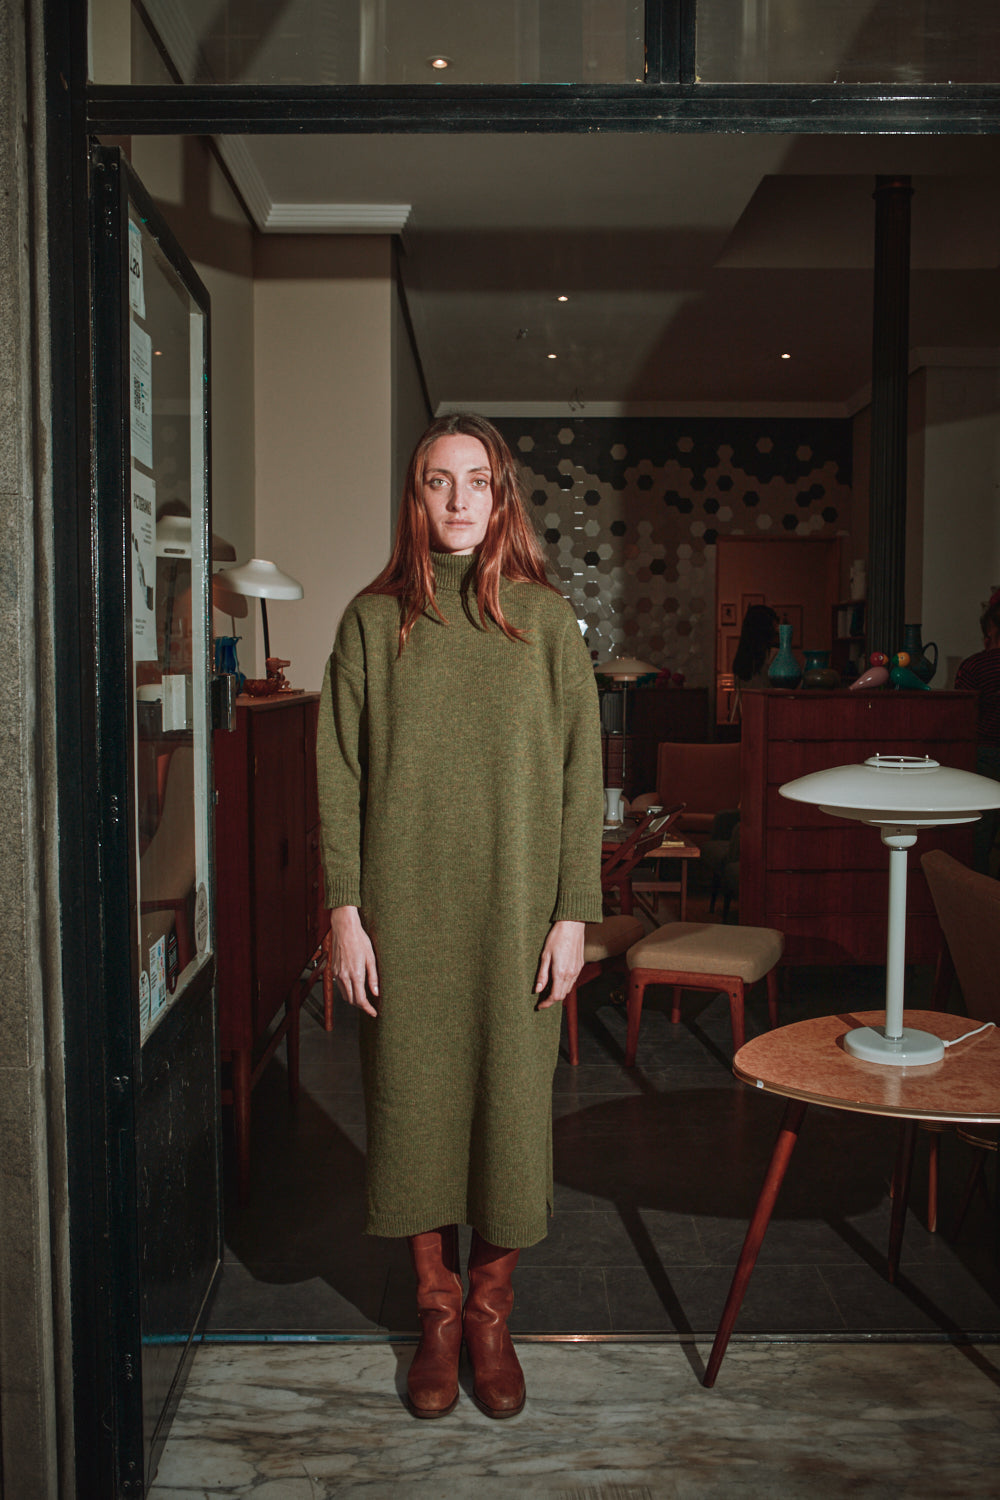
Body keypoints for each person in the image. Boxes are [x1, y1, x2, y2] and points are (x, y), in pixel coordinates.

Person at [316, 413, 604, 1420]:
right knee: (411, 1107)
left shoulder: (547, 623)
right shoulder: (369, 622)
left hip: (517, 913)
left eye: (476, 481)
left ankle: (491, 1306)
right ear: (416, 495)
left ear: (502, 496)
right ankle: (434, 1307)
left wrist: (574, 912)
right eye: (438, 481)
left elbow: (582, 779)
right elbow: (339, 776)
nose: (457, 501)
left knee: (510, 1117)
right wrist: (344, 913)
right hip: (403, 914)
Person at [955, 589, 1000, 875]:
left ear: (989, 632)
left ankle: (982, 904)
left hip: (987, 752)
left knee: (979, 836)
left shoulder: (974, 665)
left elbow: (963, 718)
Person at [728, 603, 779, 721]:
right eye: (774, 625)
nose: (777, 629)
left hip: (748, 721)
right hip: (771, 719)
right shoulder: (774, 656)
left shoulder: (741, 659)